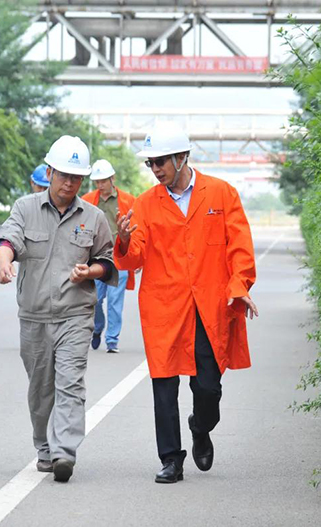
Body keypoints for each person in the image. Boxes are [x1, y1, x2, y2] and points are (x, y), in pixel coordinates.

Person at [114, 123, 258, 484]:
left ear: (182, 157)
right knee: (163, 382)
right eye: (150, 163)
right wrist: (124, 240)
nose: (155, 169)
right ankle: (170, 459)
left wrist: (239, 284)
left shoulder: (221, 194)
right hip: (164, 306)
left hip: (208, 305)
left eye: (160, 161)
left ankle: (201, 426)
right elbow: (134, 257)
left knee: (208, 387)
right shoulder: (146, 204)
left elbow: (240, 247)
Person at [0, 135, 118, 483]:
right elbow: (7, 240)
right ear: (49, 172)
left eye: (76, 177)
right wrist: (4, 263)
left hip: (75, 315)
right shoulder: (25, 208)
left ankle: (64, 451)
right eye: (64, 175)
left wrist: (90, 271)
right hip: (34, 316)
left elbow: (107, 262)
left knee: (70, 383)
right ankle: (45, 448)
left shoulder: (94, 217)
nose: (69, 183)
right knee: (41, 390)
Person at [81, 159, 136, 354]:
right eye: (97, 181)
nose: (100, 185)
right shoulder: (87, 200)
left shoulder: (128, 201)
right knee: (93, 299)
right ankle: (97, 327)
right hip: (96, 259)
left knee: (114, 302)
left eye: (103, 181)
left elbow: (135, 229)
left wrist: (135, 255)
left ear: (112, 178)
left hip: (119, 259)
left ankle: (112, 340)